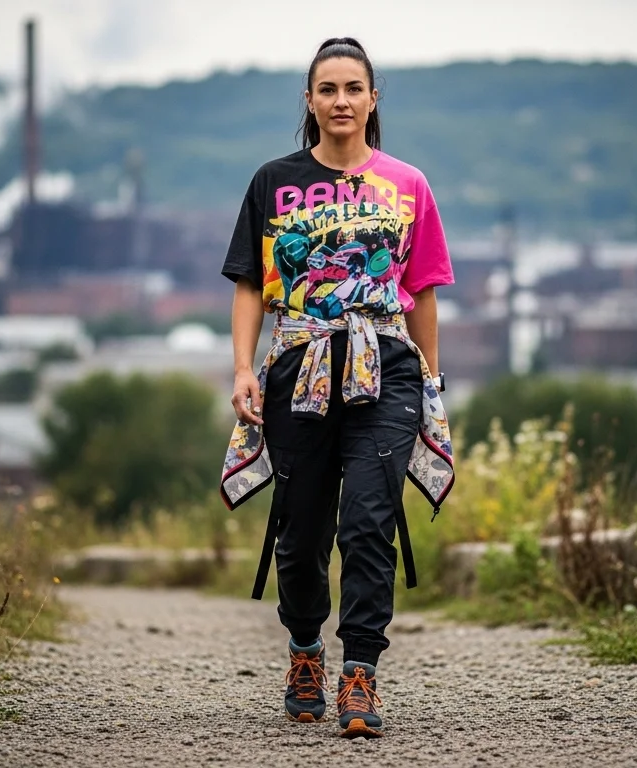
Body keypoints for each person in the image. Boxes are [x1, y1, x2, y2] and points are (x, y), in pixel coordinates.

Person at [218, 37, 456, 739]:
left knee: (369, 522)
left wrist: (434, 384)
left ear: (373, 99)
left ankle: (360, 674)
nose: (342, 101)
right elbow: (248, 287)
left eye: (355, 88)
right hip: (298, 367)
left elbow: (421, 292)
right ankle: (304, 651)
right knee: (300, 532)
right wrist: (241, 368)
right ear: (310, 101)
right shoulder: (273, 181)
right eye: (328, 89)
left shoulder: (409, 184)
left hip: (387, 364)